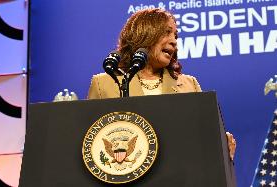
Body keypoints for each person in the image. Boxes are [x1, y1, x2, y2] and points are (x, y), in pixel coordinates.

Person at [87, 8, 236, 160]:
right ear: (144, 33)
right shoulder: (104, 84)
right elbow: (90, 142)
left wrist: (221, 142)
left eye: (175, 35)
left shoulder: (189, 84)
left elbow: (202, 135)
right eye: (167, 32)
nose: (174, 41)